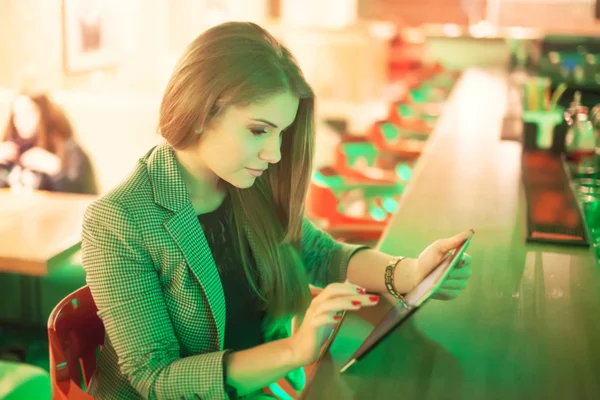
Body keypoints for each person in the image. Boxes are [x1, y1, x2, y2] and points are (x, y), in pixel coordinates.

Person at [81, 21, 473, 400]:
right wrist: (293, 352)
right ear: (202, 112)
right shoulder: (118, 221)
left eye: (281, 133)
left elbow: (317, 253)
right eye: (258, 130)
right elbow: (156, 377)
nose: (275, 154)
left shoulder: (245, 183)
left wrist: (408, 273)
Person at [0, 91, 97, 194]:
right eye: (16, 114)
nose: (21, 120)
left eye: (28, 113)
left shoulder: (68, 149)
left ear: (44, 114)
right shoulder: (9, 149)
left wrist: (56, 170)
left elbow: (85, 195)